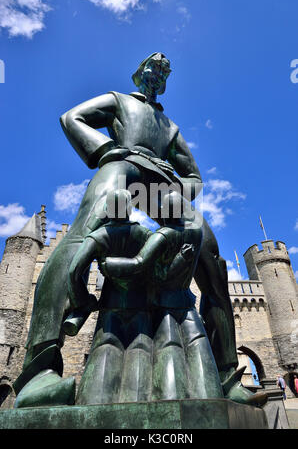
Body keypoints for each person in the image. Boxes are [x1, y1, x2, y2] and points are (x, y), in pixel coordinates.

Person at [13, 52, 243, 406]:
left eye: (165, 71)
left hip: (163, 186)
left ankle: (227, 376)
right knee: (85, 230)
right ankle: (38, 371)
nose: (158, 72)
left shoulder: (169, 127)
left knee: (210, 255)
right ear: (139, 74)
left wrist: (175, 197)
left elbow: (194, 176)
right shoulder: (118, 101)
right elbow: (71, 117)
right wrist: (108, 151)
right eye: (152, 67)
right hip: (124, 166)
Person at [70, 190, 223, 404]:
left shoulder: (110, 237)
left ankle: (100, 409)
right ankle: (209, 407)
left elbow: (75, 271)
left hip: (129, 306)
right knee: (161, 351)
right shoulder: (186, 233)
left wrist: (85, 297)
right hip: (173, 304)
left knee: (112, 349)